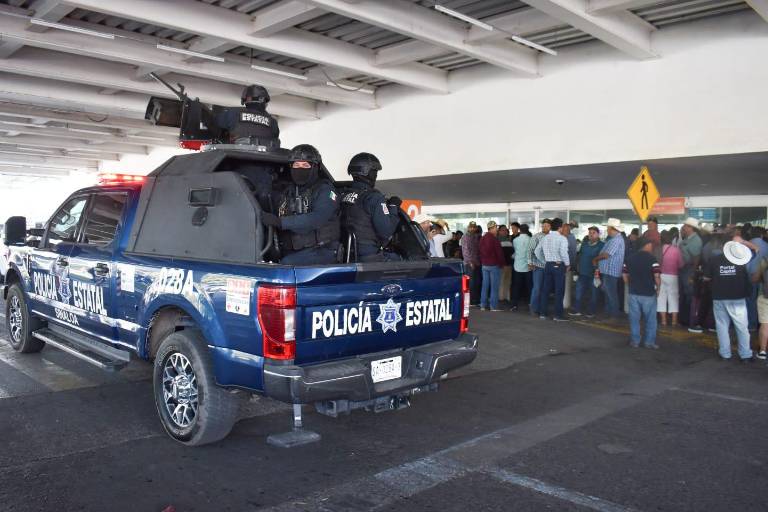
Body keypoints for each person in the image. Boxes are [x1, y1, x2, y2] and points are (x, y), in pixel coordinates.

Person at [262, 144, 340, 265]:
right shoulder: (289, 191)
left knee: (284, 266)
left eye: (305, 165)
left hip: (322, 250)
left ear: (315, 167)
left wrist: (280, 222)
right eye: (296, 165)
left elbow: (317, 219)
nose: (300, 169)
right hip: (294, 250)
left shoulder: (326, 191)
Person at [340, 153, 401, 262]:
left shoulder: (343, 194)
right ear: (367, 172)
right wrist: (393, 206)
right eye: (375, 172)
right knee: (403, 260)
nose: (376, 175)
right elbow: (386, 231)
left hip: (346, 253)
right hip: (367, 256)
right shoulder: (373, 197)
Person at [705, 240, 754, 362]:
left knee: (722, 326)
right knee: (742, 327)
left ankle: (725, 354)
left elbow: (706, 277)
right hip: (738, 299)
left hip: (719, 297)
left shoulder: (714, 260)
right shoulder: (742, 262)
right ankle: (745, 355)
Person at [623, 238, 661, 348]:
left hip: (633, 293)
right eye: (650, 244)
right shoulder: (652, 259)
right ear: (646, 245)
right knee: (650, 319)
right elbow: (657, 276)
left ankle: (635, 341)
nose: (652, 246)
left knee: (634, 319)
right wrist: (658, 288)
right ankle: (649, 342)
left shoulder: (629, 258)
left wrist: (629, 285)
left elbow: (624, 275)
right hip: (648, 294)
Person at [535, 218, 570, 321]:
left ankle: (543, 313)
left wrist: (544, 260)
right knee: (559, 291)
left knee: (545, 290)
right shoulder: (562, 239)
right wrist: (567, 264)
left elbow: (537, 251)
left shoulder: (545, 238)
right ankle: (558, 315)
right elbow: (563, 253)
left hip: (548, 265)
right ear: (560, 227)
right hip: (559, 266)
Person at [593, 218, 626, 321]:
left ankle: (614, 315)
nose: (607, 230)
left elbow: (607, 255)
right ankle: (609, 313)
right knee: (608, 293)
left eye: (608, 228)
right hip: (608, 271)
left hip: (611, 271)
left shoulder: (616, 240)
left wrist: (595, 259)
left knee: (611, 294)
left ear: (613, 229)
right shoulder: (614, 239)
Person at [570, 226, 603, 318]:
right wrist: (576, 270)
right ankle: (577, 310)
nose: (591, 235)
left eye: (593, 233)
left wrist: (599, 272)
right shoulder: (584, 244)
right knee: (578, 291)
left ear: (598, 234)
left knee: (594, 293)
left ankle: (591, 311)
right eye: (590, 233)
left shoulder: (601, 245)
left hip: (594, 273)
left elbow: (603, 259)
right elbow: (579, 256)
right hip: (582, 272)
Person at [679, 217, 703, 329]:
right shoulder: (688, 238)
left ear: (691, 228)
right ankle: (684, 319)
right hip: (684, 269)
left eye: (685, 225)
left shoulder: (696, 240)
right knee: (685, 294)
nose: (684, 227)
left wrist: (693, 273)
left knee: (689, 294)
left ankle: (689, 320)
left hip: (689, 269)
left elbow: (696, 258)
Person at [657, 230, 684, 327]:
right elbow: (681, 264)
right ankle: (674, 321)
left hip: (659, 276)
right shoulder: (676, 250)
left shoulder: (658, 249)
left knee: (661, 297)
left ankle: (663, 321)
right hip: (673, 276)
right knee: (673, 297)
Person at [479, 221, 505, 311]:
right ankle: (493, 306)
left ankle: (483, 305)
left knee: (485, 285)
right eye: (495, 228)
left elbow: (480, 251)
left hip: (484, 265)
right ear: (492, 228)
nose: (497, 229)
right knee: (494, 287)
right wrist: (502, 264)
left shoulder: (482, 238)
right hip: (494, 265)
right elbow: (499, 253)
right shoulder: (494, 239)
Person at [528, 218, 551, 316]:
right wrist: (530, 262)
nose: (545, 227)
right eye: (544, 225)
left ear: (550, 227)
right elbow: (530, 250)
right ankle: (533, 308)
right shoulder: (536, 237)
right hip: (538, 266)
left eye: (547, 226)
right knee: (537, 288)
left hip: (549, 267)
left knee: (545, 289)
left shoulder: (552, 237)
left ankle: (542, 309)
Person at [511, 224, 532, 311]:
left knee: (516, 286)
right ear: (527, 230)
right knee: (529, 286)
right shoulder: (531, 240)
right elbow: (530, 253)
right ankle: (531, 303)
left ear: (520, 230)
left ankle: (514, 304)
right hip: (528, 266)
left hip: (517, 266)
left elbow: (516, 251)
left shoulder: (515, 240)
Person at [752, 252, 768, 360]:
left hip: (764, 296)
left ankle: (762, 351)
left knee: (765, 324)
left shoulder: (765, 259)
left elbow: (755, 279)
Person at [462, 223, 482, 306]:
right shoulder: (465, 237)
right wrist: (470, 262)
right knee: (471, 283)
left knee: (477, 282)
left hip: (477, 262)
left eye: (474, 227)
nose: (473, 229)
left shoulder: (476, 236)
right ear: (468, 227)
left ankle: (476, 300)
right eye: (471, 227)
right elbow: (466, 251)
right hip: (469, 263)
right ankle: (470, 301)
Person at [497, 225, 513, 302]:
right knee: (501, 281)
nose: (504, 231)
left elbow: (512, 252)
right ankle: (500, 297)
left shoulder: (509, 241)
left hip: (509, 264)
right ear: (499, 231)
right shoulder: (497, 240)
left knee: (508, 281)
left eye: (505, 230)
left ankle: (507, 297)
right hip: (501, 265)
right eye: (502, 230)